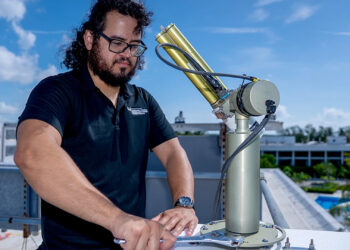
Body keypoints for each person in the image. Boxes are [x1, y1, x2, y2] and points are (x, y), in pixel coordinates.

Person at [14, 0, 198, 249]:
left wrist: (184, 204)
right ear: (90, 39)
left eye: (134, 46)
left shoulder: (142, 100)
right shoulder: (57, 92)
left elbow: (175, 153)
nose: (126, 53)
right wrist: (117, 220)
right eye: (117, 42)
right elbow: (32, 153)